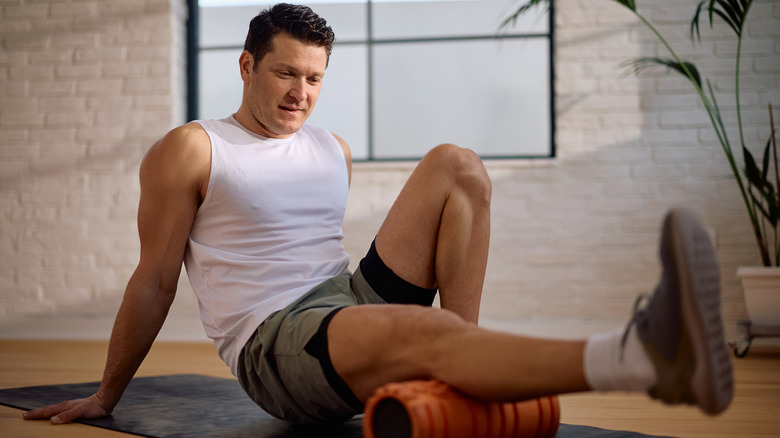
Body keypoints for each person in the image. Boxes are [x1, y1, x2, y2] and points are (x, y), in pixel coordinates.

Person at [23, 2, 733, 427]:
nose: (302, 91)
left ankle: (464, 367)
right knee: (421, 327)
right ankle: (643, 356)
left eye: (314, 78)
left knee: (455, 163)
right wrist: (106, 395)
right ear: (245, 66)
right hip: (278, 343)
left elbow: (345, 251)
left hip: (346, 302)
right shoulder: (193, 147)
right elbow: (153, 280)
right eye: (285, 73)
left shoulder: (333, 148)